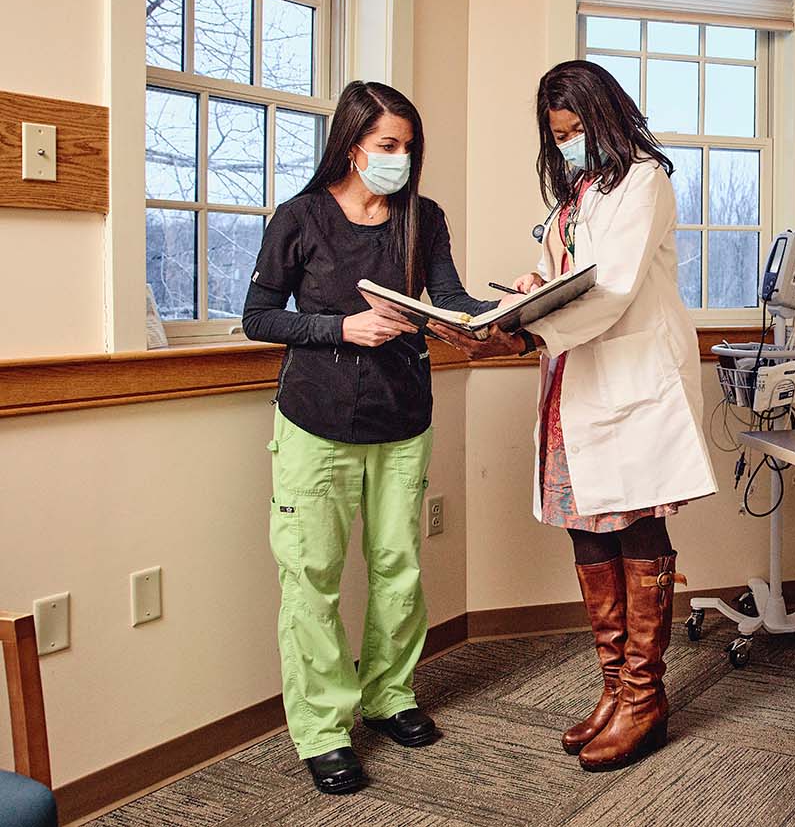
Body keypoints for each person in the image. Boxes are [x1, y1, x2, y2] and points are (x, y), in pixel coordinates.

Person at [242, 80, 528, 795]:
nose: (399, 159)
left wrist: (509, 307)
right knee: (312, 579)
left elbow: (451, 303)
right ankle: (323, 728)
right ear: (351, 144)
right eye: (387, 146)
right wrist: (342, 327)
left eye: (408, 147)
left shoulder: (422, 218)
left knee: (398, 567)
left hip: (404, 419)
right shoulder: (300, 217)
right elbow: (258, 316)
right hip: (316, 420)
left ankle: (390, 695)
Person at [505, 60, 718, 772]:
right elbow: (568, 277)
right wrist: (533, 288)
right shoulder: (577, 196)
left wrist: (537, 323)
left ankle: (644, 697)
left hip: (629, 383)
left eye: (575, 131)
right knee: (586, 524)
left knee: (635, 524)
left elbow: (616, 287)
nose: (567, 145)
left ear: (604, 119)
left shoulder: (643, 182)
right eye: (557, 135)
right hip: (577, 382)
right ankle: (613, 690)